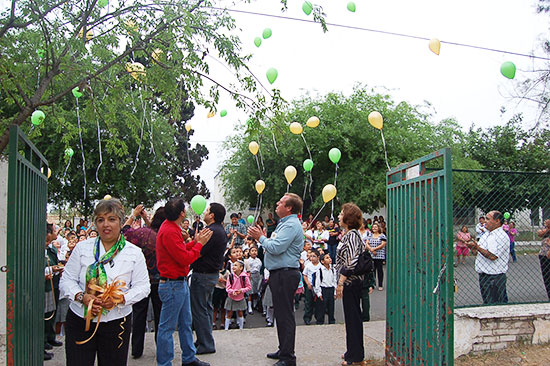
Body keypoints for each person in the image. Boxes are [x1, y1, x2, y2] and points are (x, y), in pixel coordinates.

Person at [59, 198, 150, 366]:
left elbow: (143, 286)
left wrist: (120, 298)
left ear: (121, 222)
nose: (106, 225)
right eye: (100, 220)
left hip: (117, 322)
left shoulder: (134, 253)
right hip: (81, 319)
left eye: (112, 219)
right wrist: (81, 297)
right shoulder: (82, 248)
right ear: (95, 223)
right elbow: (67, 280)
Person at [248, 193, 303, 366]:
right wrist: (265, 239)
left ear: (289, 208)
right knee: (280, 313)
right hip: (280, 273)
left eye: (281, 203)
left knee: (285, 314)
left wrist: (261, 238)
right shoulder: (284, 223)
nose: (277, 204)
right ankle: (284, 349)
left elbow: (277, 247)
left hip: (285, 274)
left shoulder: (291, 225)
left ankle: (288, 357)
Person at [156, 198, 213, 366]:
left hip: (178, 284)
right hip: (173, 285)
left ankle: (189, 358)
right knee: (167, 328)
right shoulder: (170, 230)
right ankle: (165, 363)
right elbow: (183, 258)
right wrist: (199, 245)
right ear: (182, 213)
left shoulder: (171, 227)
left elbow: (179, 251)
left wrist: (194, 242)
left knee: (185, 323)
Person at [122, 204, 165, 359]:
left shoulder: (141, 234)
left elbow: (124, 231)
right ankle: (161, 349)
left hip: (141, 280)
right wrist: (147, 219)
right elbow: (155, 232)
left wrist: (133, 215)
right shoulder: (165, 235)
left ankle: (136, 350)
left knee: (139, 315)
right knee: (160, 317)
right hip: (161, 281)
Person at [190, 202, 228, 355]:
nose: (204, 212)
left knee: (199, 310)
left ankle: (205, 343)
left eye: (207, 210)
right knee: (205, 308)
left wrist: (193, 243)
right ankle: (203, 339)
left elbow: (198, 251)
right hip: (210, 275)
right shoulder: (218, 230)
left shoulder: (211, 231)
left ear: (212, 215)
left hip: (204, 275)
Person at [335, 203, 367, 366]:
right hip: (347, 282)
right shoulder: (347, 234)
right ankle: (352, 351)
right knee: (350, 318)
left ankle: (356, 357)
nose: (339, 216)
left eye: (342, 214)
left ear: (348, 218)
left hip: (351, 283)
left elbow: (353, 260)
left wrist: (341, 281)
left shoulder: (353, 235)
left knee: (353, 319)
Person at [466, 211, 510, 305]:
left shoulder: (501, 236)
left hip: (494, 278)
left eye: (488, 219)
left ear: (497, 221)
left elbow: (493, 256)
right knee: (487, 305)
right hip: (484, 276)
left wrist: (477, 247)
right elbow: (479, 252)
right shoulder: (486, 234)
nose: (485, 221)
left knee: (496, 306)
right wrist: (473, 248)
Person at [45, 223, 64, 360]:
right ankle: (43, 342)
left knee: (52, 311)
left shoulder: (50, 249)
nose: (55, 233)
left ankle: (50, 337)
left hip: (53, 283)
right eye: (53, 231)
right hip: (45, 284)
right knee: (45, 315)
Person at [224, 260, 252, 330]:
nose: (234, 267)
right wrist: (232, 291)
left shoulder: (244, 277)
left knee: (240, 312)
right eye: (233, 265)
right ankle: (226, 328)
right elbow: (227, 288)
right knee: (229, 313)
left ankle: (241, 328)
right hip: (231, 297)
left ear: (241, 268)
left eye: (236, 265)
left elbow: (249, 287)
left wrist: (241, 290)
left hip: (240, 297)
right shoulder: (230, 276)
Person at [313, 253, 337, 324]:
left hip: (331, 289)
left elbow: (334, 281)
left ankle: (331, 320)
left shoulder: (333, 270)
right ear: (322, 261)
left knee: (331, 306)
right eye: (327, 258)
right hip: (323, 289)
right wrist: (319, 293)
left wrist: (335, 292)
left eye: (329, 257)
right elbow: (317, 283)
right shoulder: (320, 271)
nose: (329, 259)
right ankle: (320, 321)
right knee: (322, 307)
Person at [302, 249, 323, 325]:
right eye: (311, 256)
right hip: (310, 286)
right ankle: (307, 318)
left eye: (314, 256)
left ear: (318, 257)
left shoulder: (321, 266)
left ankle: (319, 318)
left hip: (319, 286)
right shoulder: (308, 266)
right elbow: (304, 275)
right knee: (308, 302)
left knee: (318, 303)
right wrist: (308, 283)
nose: (312, 258)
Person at [365, 223, 387, 291]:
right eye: (373, 227)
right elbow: (367, 243)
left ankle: (380, 284)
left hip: (379, 255)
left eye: (376, 227)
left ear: (378, 228)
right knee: (372, 270)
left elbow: (383, 244)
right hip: (371, 255)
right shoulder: (370, 235)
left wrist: (374, 249)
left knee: (379, 270)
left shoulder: (382, 235)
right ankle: (372, 284)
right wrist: (371, 249)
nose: (374, 228)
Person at [246, 246, 263, 314]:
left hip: (257, 275)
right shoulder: (248, 261)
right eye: (252, 251)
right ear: (249, 253)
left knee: (256, 290)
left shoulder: (258, 260)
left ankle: (255, 305)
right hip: (251, 275)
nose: (254, 252)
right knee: (250, 292)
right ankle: (249, 307)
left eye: (255, 251)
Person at [537, 219, 550, 300]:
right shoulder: (547, 226)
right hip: (543, 255)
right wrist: (548, 228)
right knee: (547, 278)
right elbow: (539, 233)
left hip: (548, 253)